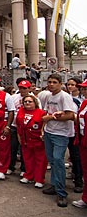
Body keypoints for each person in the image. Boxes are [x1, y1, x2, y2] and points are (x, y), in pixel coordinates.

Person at [38, 73, 77, 207]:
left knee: (58, 160)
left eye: (54, 82)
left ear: (60, 83)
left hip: (61, 134)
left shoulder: (65, 96)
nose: (51, 84)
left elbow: (70, 115)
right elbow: (46, 113)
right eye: (49, 82)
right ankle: (54, 185)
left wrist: (50, 118)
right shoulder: (49, 96)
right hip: (49, 132)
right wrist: (44, 127)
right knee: (53, 161)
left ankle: (61, 193)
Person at [16, 94, 47, 188]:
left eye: (30, 101)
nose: (27, 103)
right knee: (27, 159)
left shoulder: (41, 113)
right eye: (25, 101)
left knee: (40, 160)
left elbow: (44, 126)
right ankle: (29, 176)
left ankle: (39, 179)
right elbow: (18, 125)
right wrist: (19, 137)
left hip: (37, 140)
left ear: (35, 103)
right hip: (25, 140)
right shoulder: (21, 111)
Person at [73, 79, 87, 208]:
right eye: (83, 88)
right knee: (86, 171)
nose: (84, 90)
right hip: (83, 141)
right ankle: (85, 198)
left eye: (86, 88)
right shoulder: (84, 103)